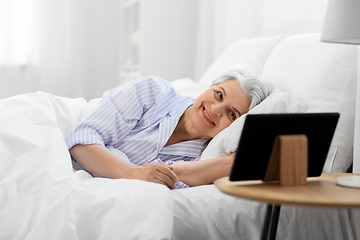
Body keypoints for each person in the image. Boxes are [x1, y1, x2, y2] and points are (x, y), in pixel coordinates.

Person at [66, 64, 272, 189]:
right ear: (209, 87)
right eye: (219, 94)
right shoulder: (154, 92)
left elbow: (174, 185)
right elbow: (82, 139)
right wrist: (133, 173)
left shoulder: (203, 158)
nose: (217, 109)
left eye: (232, 114)